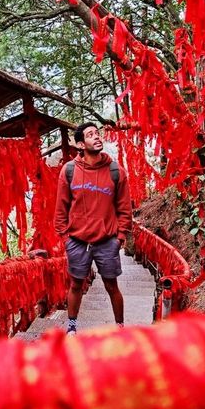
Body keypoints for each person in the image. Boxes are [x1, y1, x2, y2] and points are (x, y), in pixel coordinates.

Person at [54, 122, 132, 334]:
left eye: (98, 133)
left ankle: (120, 328)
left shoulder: (116, 171)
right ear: (81, 144)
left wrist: (120, 236)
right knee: (76, 285)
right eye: (90, 135)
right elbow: (61, 208)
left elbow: (125, 207)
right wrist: (65, 239)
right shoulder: (69, 171)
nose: (97, 137)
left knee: (111, 285)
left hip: (107, 241)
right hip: (77, 241)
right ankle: (71, 329)